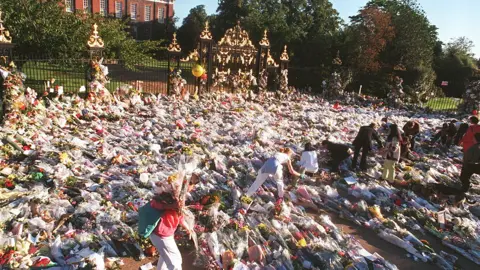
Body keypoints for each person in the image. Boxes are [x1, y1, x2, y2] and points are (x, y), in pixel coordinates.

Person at [434, 133, 480, 205]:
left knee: (464, 179)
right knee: (465, 179)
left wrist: (467, 162)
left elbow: (469, 158)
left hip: (470, 166)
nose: (472, 139)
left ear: (476, 139)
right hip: (474, 166)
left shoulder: (475, 147)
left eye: (473, 138)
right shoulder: (476, 147)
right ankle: (463, 190)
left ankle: (462, 192)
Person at [149, 193, 192, 270]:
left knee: (166, 258)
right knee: (175, 263)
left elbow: (180, 216)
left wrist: (188, 228)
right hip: (161, 235)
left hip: (166, 234)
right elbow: (153, 204)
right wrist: (171, 206)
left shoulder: (179, 197)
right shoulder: (167, 195)